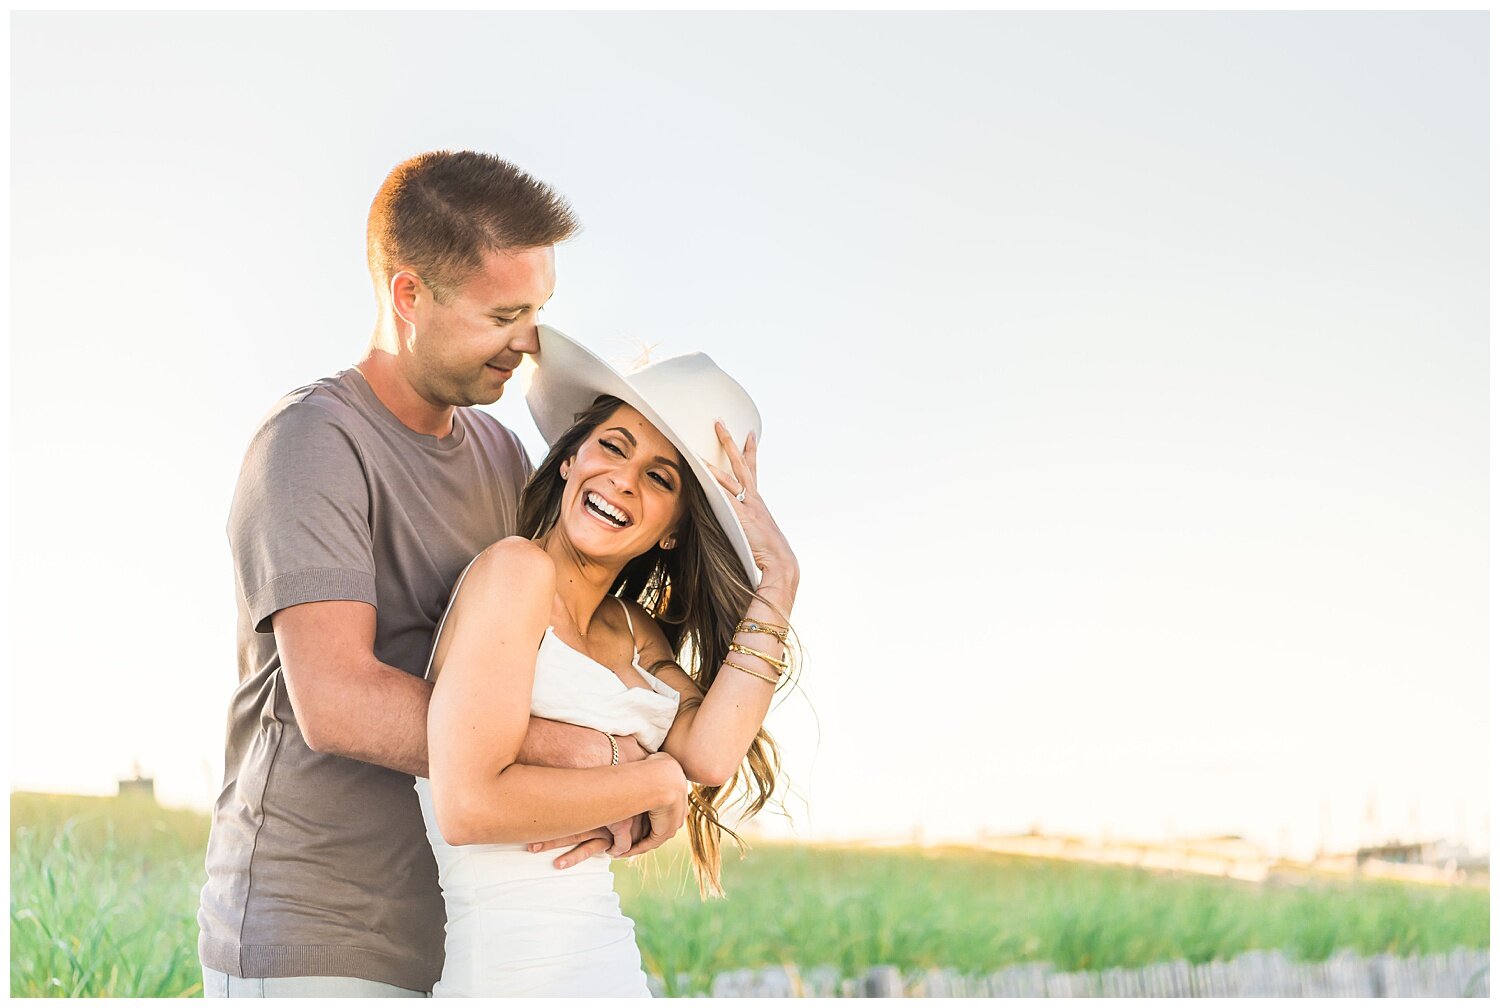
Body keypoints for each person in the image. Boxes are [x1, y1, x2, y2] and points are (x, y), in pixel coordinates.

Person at [197, 151, 686, 998]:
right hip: (320, 930)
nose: (529, 341)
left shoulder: (501, 457)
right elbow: (340, 703)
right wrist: (590, 759)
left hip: (457, 940)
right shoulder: (314, 443)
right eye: (505, 313)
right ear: (409, 296)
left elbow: (551, 651)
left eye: (538, 310)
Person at [416, 324, 800, 997]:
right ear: (570, 459)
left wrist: (780, 583)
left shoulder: (635, 632)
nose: (622, 481)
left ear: (676, 524)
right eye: (612, 448)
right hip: (509, 973)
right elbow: (469, 804)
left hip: (604, 959)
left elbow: (710, 757)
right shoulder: (515, 572)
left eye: (658, 478)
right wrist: (653, 783)